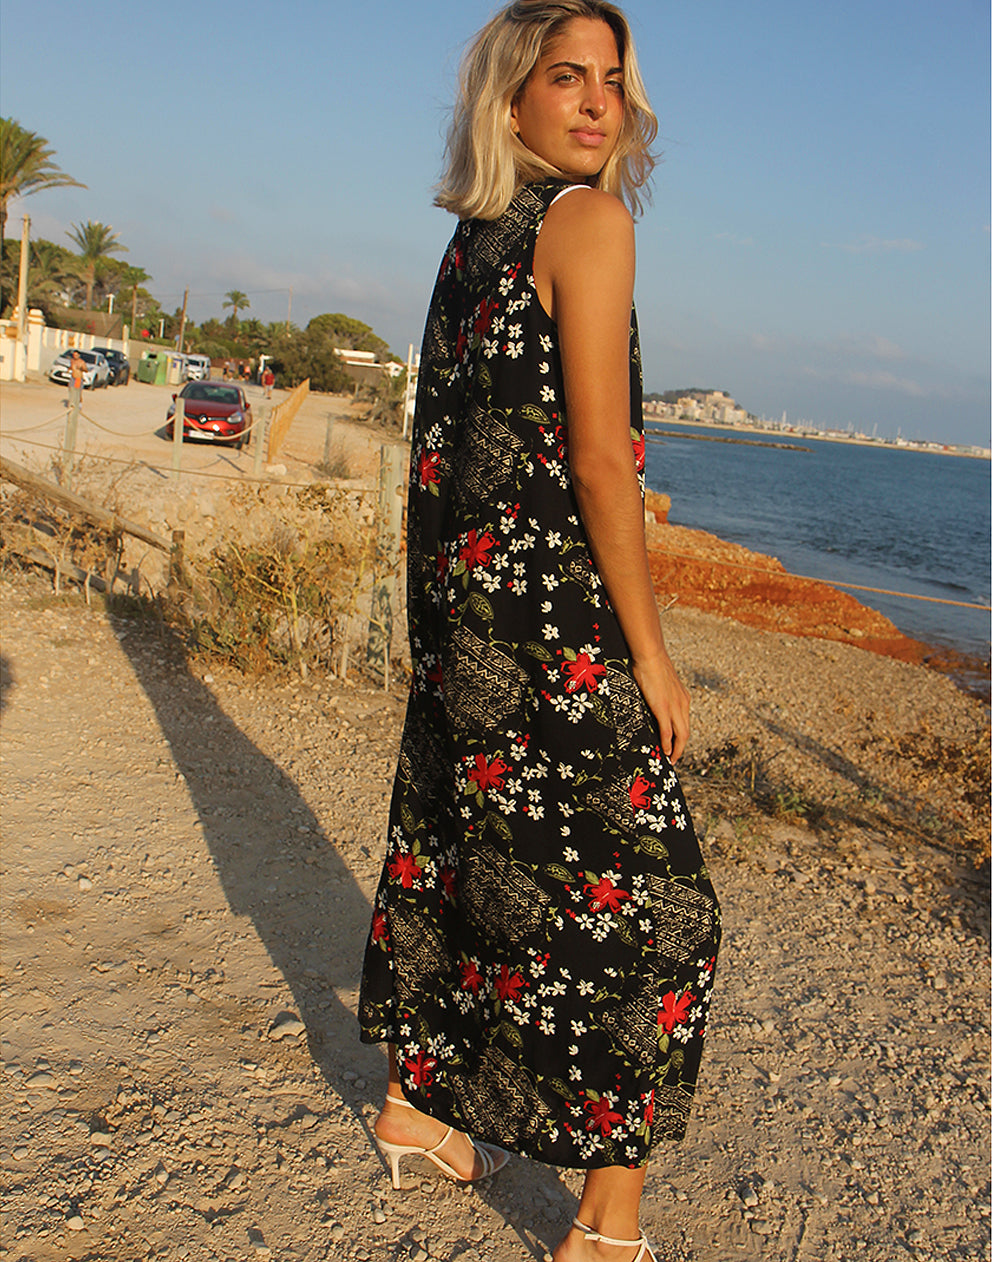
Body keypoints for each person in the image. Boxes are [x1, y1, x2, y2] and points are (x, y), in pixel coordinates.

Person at [358, 4, 720, 1259]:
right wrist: (653, 652)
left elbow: (442, 452)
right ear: (507, 98)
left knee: (471, 862)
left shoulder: (472, 245)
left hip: (467, 629)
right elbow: (603, 462)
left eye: (609, 79)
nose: (593, 101)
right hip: (557, 638)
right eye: (563, 76)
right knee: (661, 917)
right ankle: (604, 1224)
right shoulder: (588, 222)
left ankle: (418, 1105)